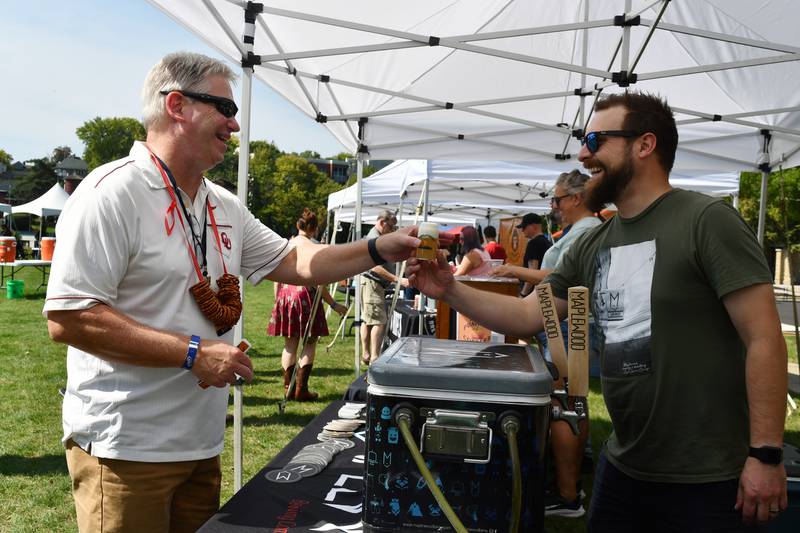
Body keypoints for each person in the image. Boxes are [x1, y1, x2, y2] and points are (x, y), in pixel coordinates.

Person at [43, 52, 419, 533]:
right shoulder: (110, 193)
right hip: (127, 449)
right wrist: (191, 352)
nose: (235, 124)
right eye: (224, 107)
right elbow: (70, 317)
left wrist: (377, 247)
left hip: (201, 444)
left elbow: (295, 260)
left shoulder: (222, 203)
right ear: (176, 105)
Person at [408, 91, 788, 532]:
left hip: (709, 478)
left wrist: (765, 454)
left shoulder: (706, 220)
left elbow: (764, 338)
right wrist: (449, 289)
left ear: (644, 145)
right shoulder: (593, 242)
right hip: (625, 467)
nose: (583, 152)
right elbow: (530, 315)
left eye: (594, 138)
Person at [492, 169, 601, 517]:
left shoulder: (588, 232)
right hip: (558, 323)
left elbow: (563, 279)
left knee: (566, 405)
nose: (552, 206)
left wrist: (516, 272)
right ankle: (565, 487)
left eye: (556, 198)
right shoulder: (577, 232)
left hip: (570, 325)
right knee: (564, 401)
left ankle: (569, 495)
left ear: (576, 198)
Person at [268, 208, 347, 401]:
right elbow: (318, 282)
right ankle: (301, 390)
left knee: (289, 345)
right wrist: (334, 304)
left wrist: (278, 299)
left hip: (285, 296)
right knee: (309, 343)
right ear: (314, 228)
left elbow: (276, 278)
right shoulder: (315, 247)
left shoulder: (285, 244)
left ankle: (288, 388)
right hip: (306, 296)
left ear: (298, 225)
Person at [360, 210, 408, 365]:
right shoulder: (374, 238)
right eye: (391, 227)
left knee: (367, 320)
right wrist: (397, 279)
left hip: (370, 283)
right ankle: (374, 357)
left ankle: (367, 355)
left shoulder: (376, 236)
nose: (392, 231)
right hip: (373, 283)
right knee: (379, 321)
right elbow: (375, 267)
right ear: (382, 223)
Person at [517, 213, 551, 296]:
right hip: (543, 290)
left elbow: (532, 273)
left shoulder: (533, 243)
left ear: (533, 226)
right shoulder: (547, 242)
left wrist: (523, 294)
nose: (522, 230)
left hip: (532, 293)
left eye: (524, 227)